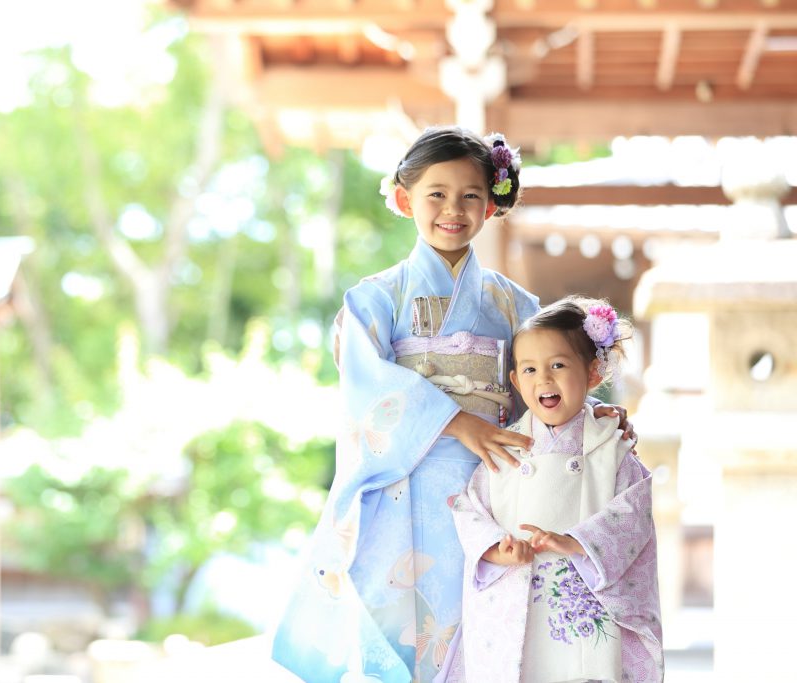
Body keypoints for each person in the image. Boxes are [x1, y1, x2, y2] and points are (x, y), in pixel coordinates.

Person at [271, 126, 633, 683]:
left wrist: (587, 413)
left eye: (469, 195)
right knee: (404, 630)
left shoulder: (517, 305)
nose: (452, 209)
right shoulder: (374, 299)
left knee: (492, 631)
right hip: (402, 487)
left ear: (491, 204)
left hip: (493, 488)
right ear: (403, 199)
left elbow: (540, 385)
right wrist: (456, 420)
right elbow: (366, 388)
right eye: (435, 193)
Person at [437, 296, 663, 683]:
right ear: (515, 382)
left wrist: (576, 542)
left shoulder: (611, 444)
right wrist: (496, 548)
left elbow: (634, 512)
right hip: (516, 590)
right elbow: (469, 507)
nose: (543, 379)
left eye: (558, 365)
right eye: (529, 369)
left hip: (582, 597)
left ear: (593, 373)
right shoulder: (504, 445)